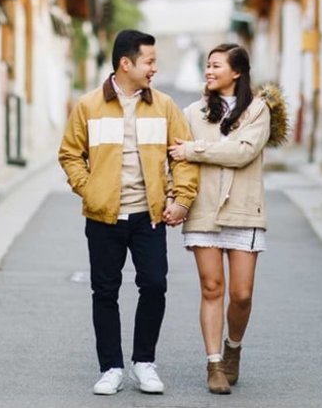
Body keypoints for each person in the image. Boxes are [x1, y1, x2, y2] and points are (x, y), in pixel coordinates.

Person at [58, 29, 199, 396]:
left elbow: (182, 157)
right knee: (104, 291)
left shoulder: (164, 106)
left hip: (148, 217)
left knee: (154, 284)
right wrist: (90, 190)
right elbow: (70, 154)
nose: (154, 68)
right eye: (149, 61)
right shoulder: (89, 106)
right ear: (126, 63)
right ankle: (111, 368)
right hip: (103, 218)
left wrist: (181, 199)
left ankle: (144, 362)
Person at [168, 43, 287, 394]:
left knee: (242, 294)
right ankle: (215, 363)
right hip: (203, 210)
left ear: (237, 72)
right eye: (207, 65)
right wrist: (176, 198)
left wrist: (194, 150)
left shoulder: (259, 111)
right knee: (211, 288)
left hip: (244, 210)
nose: (209, 71)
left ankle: (233, 346)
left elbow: (243, 153)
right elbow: (177, 162)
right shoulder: (193, 113)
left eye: (216, 65)